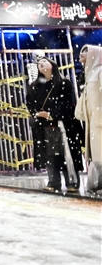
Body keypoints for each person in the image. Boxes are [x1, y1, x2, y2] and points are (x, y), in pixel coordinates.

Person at [26, 57, 80, 193]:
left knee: (67, 152)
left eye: (44, 61)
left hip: (63, 124)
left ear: (52, 64)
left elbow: (68, 103)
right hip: (46, 125)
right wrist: (38, 114)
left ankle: (72, 181)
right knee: (51, 154)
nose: (41, 64)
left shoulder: (64, 83)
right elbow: (30, 103)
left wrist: (52, 114)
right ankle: (53, 181)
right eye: (39, 64)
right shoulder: (34, 86)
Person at [76, 44, 102, 192]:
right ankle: (97, 184)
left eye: (85, 53)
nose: (81, 56)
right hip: (93, 121)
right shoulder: (89, 74)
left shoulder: (100, 71)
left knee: (100, 154)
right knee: (97, 156)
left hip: (99, 120)